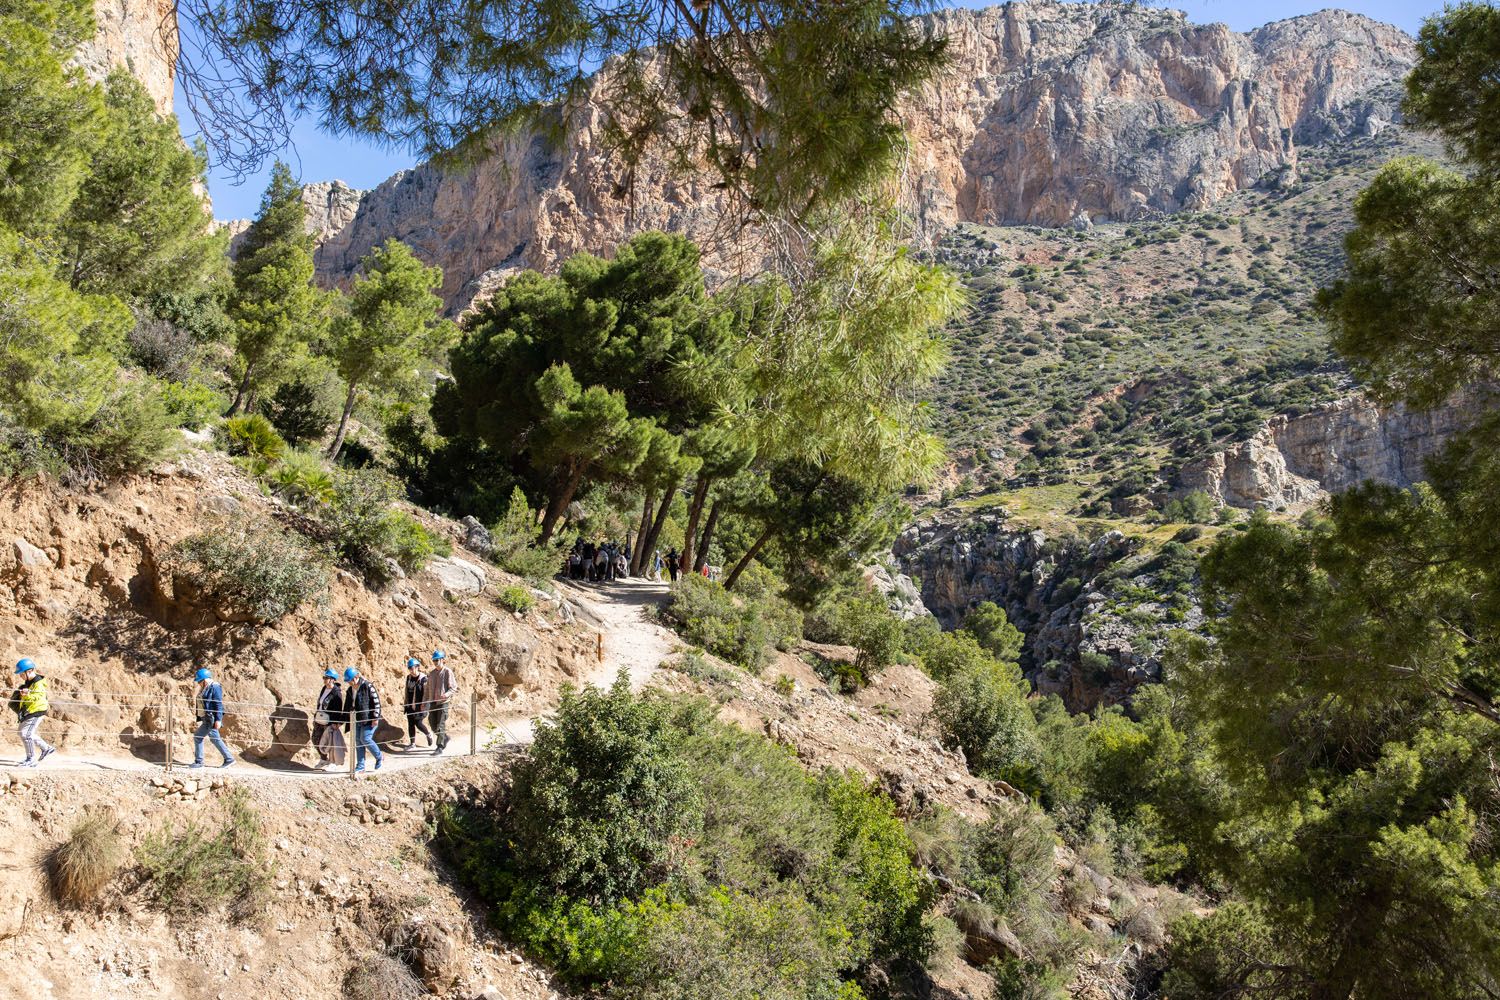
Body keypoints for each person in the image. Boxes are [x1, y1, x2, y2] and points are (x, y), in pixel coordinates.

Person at [10, 658, 54, 768]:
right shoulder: (28, 682)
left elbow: (38, 696)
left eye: (21, 673)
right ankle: (46, 748)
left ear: (29, 671)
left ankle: (31, 759)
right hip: (30, 711)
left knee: (26, 734)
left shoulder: (38, 683)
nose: (20, 676)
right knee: (22, 732)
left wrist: (27, 695)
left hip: (37, 711)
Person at [191, 666, 234, 769]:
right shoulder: (206, 687)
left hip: (211, 718)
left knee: (214, 739)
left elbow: (218, 704)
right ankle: (199, 761)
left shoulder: (214, 687)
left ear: (204, 679)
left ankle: (229, 759)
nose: (198, 683)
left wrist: (218, 720)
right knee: (199, 736)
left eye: (199, 681)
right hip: (207, 718)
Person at [343, 667, 383, 772]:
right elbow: (347, 706)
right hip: (356, 719)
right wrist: (341, 720)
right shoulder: (350, 690)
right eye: (348, 681)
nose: (349, 683)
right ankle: (360, 766)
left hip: (369, 719)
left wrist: (375, 717)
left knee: (365, 738)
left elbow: (376, 702)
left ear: (356, 677)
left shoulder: (368, 686)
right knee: (358, 741)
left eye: (350, 680)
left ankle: (379, 757)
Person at [312, 668, 344, 770]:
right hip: (320, 718)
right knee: (315, 738)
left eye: (327, 678)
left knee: (330, 742)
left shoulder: (336, 693)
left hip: (329, 721)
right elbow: (320, 703)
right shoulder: (324, 688)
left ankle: (332, 762)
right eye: (324, 678)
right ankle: (323, 759)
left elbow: (338, 710)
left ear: (332, 679)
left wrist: (335, 723)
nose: (325, 680)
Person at [426, 650, 456, 755]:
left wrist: (446, 695)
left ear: (442, 660)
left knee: (440, 724)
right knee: (432, 723)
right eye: (434, 660)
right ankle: (445, 737)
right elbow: (427, 689)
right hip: (433, 702)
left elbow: (453, 688)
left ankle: (439, 747)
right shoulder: (432, 673)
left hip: (443, 702)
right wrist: (425, 701)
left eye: (437, 660)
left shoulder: (448, 672)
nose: (435, 662)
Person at [402, 657, 434, 750]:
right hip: (410, 705)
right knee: (410, 723)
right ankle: (412, 744)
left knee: (418, 723)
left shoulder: (424, 679)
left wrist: (424, 704)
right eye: (410, 668)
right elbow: (406, 691)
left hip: (421, 705)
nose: (411, 670)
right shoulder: (408, 678)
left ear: (417, 667)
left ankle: (428, 734)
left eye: (413, 668)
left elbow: (427, 693)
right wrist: (406, 703)